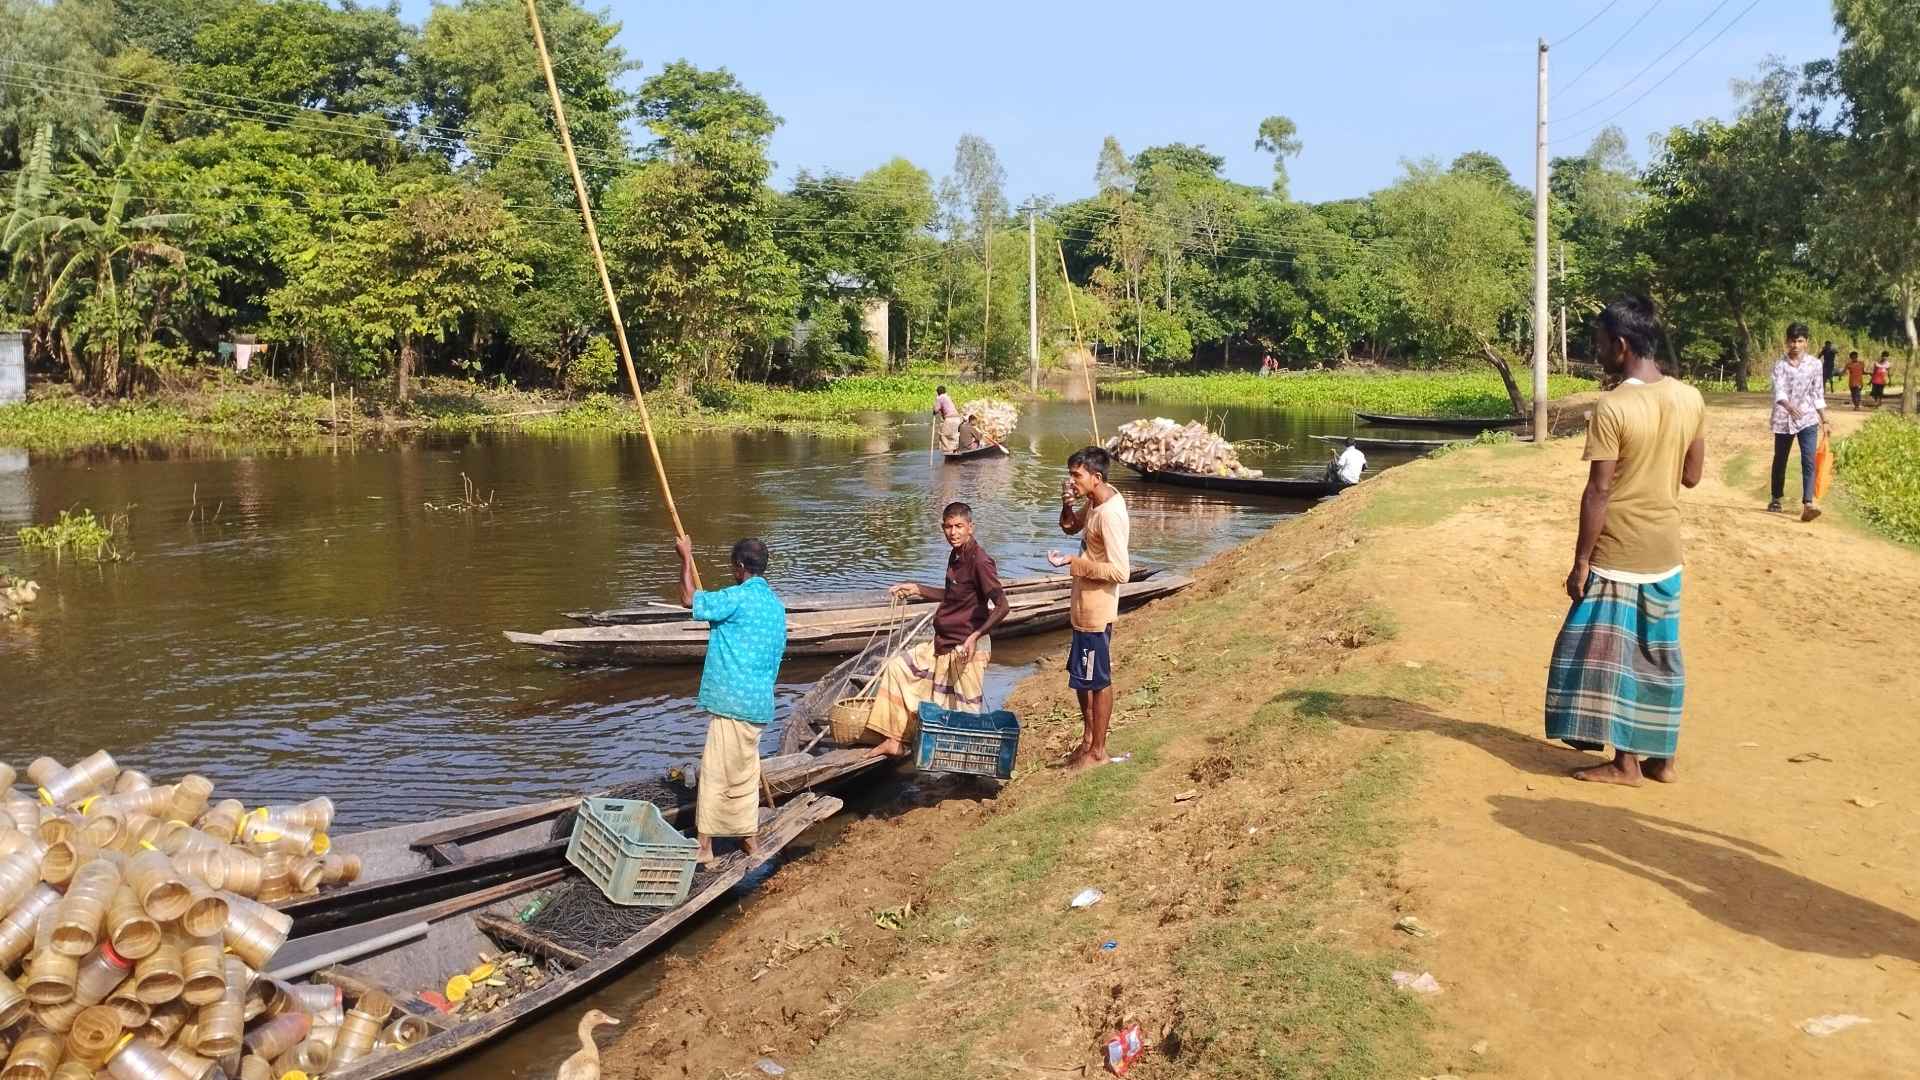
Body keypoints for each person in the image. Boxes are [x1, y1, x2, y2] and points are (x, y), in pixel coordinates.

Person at [1544, 296, 1706, 787]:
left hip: (1619, 552)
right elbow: (1694, 476)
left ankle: (1625, 764)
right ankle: (1664, 760)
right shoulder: (1692, 398)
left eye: (1598, 344)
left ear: (1620, 345)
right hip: (1666, 551)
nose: (1596, 353)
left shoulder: (1614, 406)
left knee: (1607, 655)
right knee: (1659, 653)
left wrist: (1580, 561)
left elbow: (1599, 490)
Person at [863, 502, 1009, 758]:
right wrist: (917, 588)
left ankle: (966, 767)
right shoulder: (956, 555)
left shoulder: (980, 561)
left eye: (959, 526)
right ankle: (895, 739)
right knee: (897, 668)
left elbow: (1002, 606)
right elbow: (954, 595)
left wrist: (975, 636)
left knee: (963, 709)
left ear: (970, 527)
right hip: (944, 641)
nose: (953, 532)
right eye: (948, 527)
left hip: (967, 647)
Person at [675, 535, 787, 867]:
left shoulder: (736, 599)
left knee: (716, 772)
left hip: (733, 704)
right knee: (744, 771)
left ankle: (705, 845)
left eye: (734, 566)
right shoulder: (775, 606)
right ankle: (747, 836)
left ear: (739, 567)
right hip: (758, 705)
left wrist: (685, 557)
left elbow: (687, 599)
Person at [1048, 447, 1131, 771]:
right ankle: (1088, 741)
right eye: (1071, 474)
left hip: (1097, 611)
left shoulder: (1110, 513)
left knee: (1098, 680)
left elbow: (1120, 571)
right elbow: (1070, 528)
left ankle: (1098, 751)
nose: (1071, 480)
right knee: (1082, 678)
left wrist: (1075, 562)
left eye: (1076, 476)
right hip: (1081, 607)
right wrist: (1067, 503)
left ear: (1096, 477)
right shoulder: (1094, 502)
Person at [1768, 323, 1828, 521]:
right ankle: (1776, 497)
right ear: (1787, 342)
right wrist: (1787, 405)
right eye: (1793, 340)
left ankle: (1808, 504)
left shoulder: (1815, 365)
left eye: (1800, 341)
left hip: (1808, 418)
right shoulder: (1780, 365)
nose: (1796, 344)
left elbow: (1817, 393)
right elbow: (1779, 390)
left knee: (1808, 459)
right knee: (1781, 459)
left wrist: (1825, 419)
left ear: (1806, 343)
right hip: (1783, 419)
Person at [933, 385, 960, 452]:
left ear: (938, 392)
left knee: (943, 435)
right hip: (957, 418)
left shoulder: (940, 397)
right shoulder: (948, 397)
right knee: (954, 436)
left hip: (950, 418)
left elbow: (936, 410)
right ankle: (955, 449)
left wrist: (934, 410)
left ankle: (948, 450)